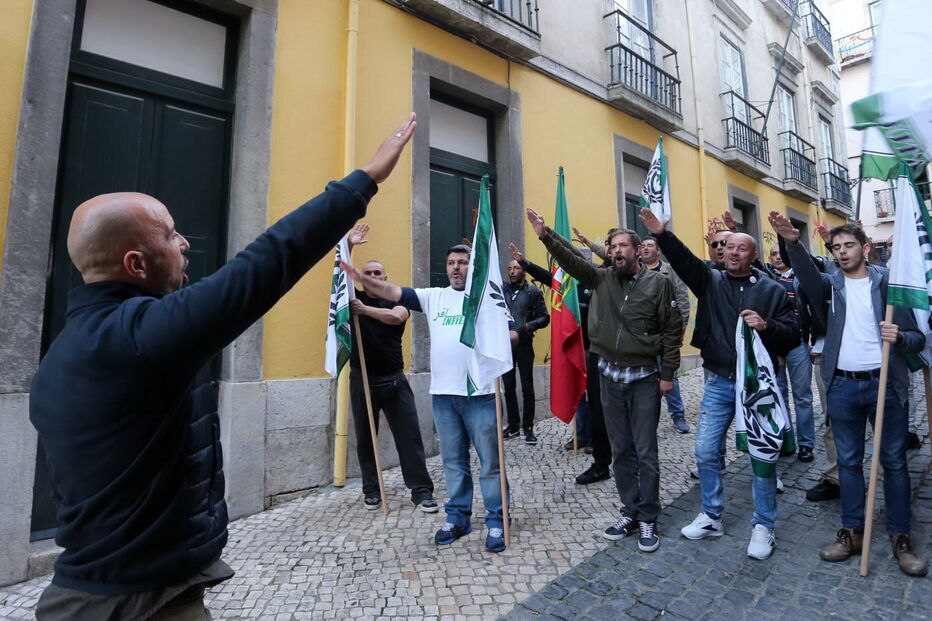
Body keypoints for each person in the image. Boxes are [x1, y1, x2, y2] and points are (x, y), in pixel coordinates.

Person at [27, 115, 417, 618]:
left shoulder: (69, 353)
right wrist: (365, 180)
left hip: (116, 591)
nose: (184, 243)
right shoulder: (139, 339)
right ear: (136, 264)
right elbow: (264, 264)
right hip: (137, 604)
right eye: (170, 235)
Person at [772, 212, 927, 577]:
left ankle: (901, 537)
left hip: (885, 385)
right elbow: (807, 275)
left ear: (865, 248)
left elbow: (918, 338)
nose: (841, 252)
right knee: (848, 462)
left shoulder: (888, 285)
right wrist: (792, 242)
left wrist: (900, 337)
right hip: (841, 386)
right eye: (836, 247)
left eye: (848, 245)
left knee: (894, 462)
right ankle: (853, 532)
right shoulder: (830, 286)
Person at [639, 207, 798, 561]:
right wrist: (662, 235)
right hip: (719, 382)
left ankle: (764, 525)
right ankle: (712, 515)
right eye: (728, 248)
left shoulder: (772, 290)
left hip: (756, 386)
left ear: (753, 256)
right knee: (706, 452)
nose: (732, 252)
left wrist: (767, 327)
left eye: (741, 248)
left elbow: (793, 335)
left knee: (761, 456)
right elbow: (684, 261)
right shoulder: (711, 281)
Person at [529, 208, 684, 553]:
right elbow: (572, 262)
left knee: (645, 450)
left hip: (644, 377)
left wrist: (668, 375)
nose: (616, 252)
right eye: (612, 247)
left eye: (622, 246)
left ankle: (648, 516)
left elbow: (672, 331)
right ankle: (630, 510)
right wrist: (546, 235)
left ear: (637, 250)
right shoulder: (602, 278)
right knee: (621, 449)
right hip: (610, 377)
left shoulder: (659, 283)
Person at [342, 244, 513, 553]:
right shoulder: (434, 297)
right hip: (445, 395)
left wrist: (496, 334)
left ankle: (498, 519)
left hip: (482, 394)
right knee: (453, 462)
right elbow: (394, 292)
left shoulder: (488, 298)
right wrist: (361, 278)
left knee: (490, 463)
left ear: (473, 267)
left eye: (462, 262)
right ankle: (458, 517)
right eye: (451, 263)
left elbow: (513, 333)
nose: (456, 267)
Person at [345, 225, 437, 513]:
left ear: (385, 279)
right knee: (365, 439)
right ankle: (372, 490)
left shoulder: (398, 301)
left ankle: (421, 491)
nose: (373, 276)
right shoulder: (353, 298)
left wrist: (364, 310)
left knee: (409, 437)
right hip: (362, 379)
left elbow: (396, 318)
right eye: (368, 273)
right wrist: (349, 245)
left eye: (377, 273)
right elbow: (340, 277)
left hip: (394, 381)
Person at [508, 242, 613, 483]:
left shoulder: (598, 280)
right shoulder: (568, 284)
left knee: (596, 399)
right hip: (575, 347)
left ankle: (597, 439)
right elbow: (547, 277)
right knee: (578, 395)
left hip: (595, 349)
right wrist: (524, 263)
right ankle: (582, 435)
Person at [768, 245, 816, 463]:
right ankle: (786, 441)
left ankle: (806, 444)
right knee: (778, 396)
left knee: (803, 397)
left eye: (781, 253)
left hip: (798, 343)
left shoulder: (802, 277)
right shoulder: (767, 279)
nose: (778, 257)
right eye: (774, 254)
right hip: (775, 345)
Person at [641, 236, 691, 434]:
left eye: (650, 246)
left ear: (658, 251)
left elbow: (682, 301)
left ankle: (678, 415)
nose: (646, 248)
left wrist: (679, 331)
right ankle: (646, 419)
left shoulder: (670, 271)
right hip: (642, 336)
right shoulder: (635, 271)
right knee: (644, 379)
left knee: (670, 374)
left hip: (665, 334)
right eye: (643, 246)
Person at [502, 259, 550, 445]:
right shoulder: (503, 290)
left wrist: (528, 326)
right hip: (506, 345)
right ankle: (513, 425)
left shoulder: (533, 292)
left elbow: (544, 317)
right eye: (509, 268)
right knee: (509, 387)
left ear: (523, 271)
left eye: (516, 268)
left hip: (524, 344)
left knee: (527, 387)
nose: (512, 272)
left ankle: (528, 427)